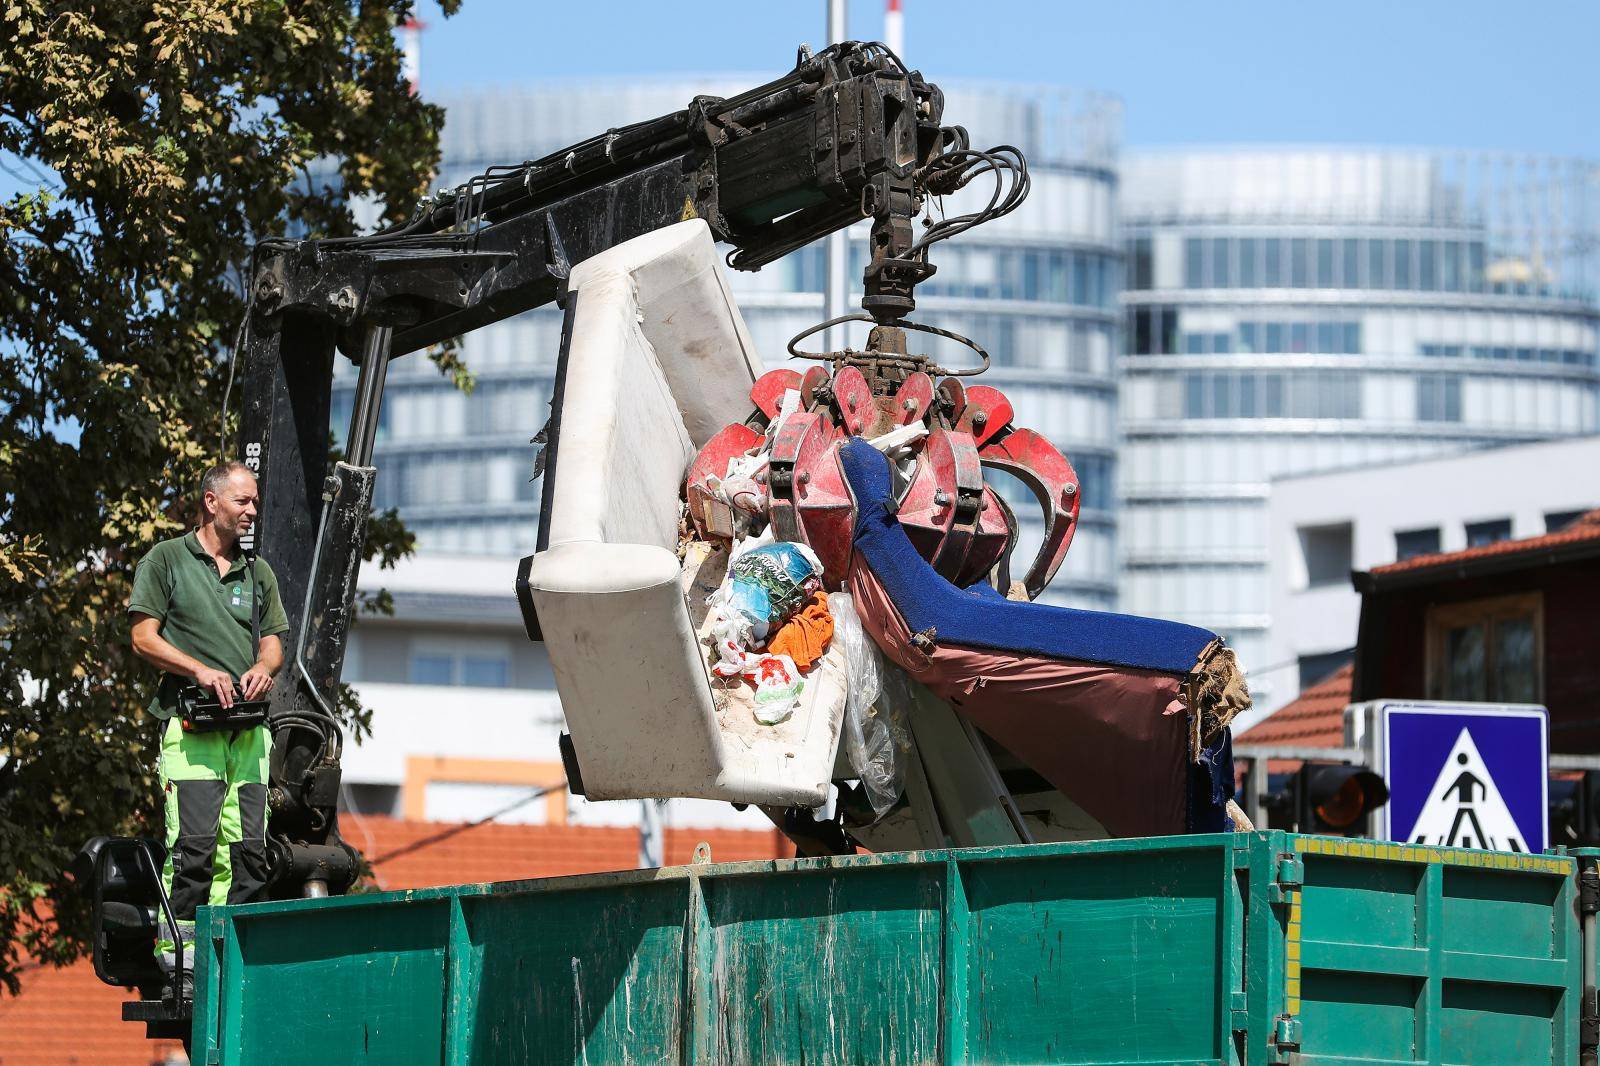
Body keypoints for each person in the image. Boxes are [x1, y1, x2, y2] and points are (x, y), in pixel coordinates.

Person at [128, 460, 289, 983]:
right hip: (191, 728)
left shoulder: (256, 571)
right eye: (243, 501)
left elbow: (272, 646)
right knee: (194, 848)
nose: (252, 511)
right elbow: (143, 637)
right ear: (211, 501)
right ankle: (181, 960)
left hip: (247, 732)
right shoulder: (167, 560)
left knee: (249, 852)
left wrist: (263, 669)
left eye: (256, 502)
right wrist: (199, 670)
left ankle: (231, 958)